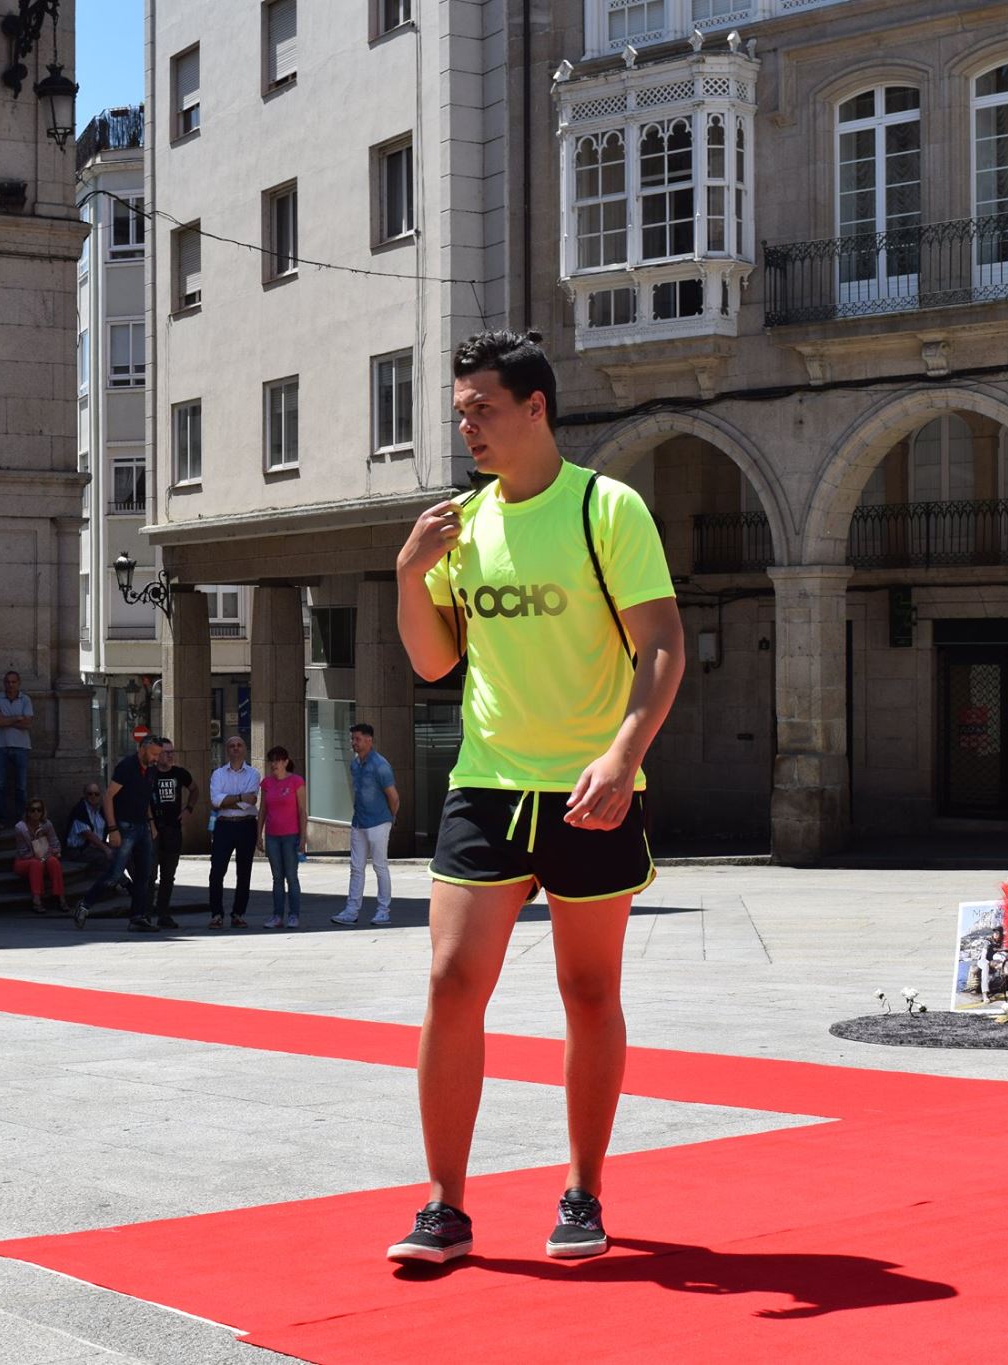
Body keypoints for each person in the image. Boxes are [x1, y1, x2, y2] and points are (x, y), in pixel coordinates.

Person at [384, 331, 683, 1266]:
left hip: (589, 787)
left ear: (535, 408)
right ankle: (444, 1206)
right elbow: (435, 660)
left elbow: (662, 644)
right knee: (448, 985)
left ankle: (583, 1191)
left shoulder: (606, 508)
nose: (466, 425)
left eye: (482, 408)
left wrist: (622, 753)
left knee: (588, 990)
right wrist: (406, 571)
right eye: (461, 410)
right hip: (486, 783)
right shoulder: (460, 525)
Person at [75, 735, 163, 932]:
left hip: (142, 826)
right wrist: (113, 829)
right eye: (154, 753)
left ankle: (137, 917)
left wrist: (151, 823)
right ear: (143, 748)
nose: (157, 758)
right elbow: (108, 797)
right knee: (115, 873)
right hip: (125, 826)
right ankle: (85, 905)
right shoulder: (127, 767)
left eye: (159, 754)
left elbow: (146, 797)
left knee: (144, 875)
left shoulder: (151, 769)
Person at [330, 724, 399, 927]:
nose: (353, 743)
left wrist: (391, 819)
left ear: (369, 740)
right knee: (356, 868)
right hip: (359, 822)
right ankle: (351, 911)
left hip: (378, 822)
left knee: (380, 866)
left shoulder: (380, 765)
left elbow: (394, 797)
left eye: (357, 739)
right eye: (352, 739)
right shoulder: (355, 763)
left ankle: (383, 911)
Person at [208, 735, 259, 930]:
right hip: (224, 825)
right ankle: (216, 914)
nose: (235, 748)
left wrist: (228, 800)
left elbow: (250, 802)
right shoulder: (218, 774)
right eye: (231, 746)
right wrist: (239, 797)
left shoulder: (253, 774)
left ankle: (238, 913)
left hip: (246, 825)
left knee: (244, 872)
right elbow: (215, 801)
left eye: (239, 745)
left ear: (245, 749)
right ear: (226, 750)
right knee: (217, 871)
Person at [148, 736, 196, 929]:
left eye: (171, 752)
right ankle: (145, 913)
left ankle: (163, 913)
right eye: (166, 753)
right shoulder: (149, 774)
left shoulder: (179, 773)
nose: (170, 756)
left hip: (173, 829)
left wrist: (188, 809)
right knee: (150, 874)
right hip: (153, 829)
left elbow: (195, 790)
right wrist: (150, 823)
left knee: (168, 875)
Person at [258, 746, 306, 930]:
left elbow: (302, 811)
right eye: (271, 760)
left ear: (286, 762)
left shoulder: (296, 781)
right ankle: (277, 915)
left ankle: (294, 915)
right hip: (272, 836)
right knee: (277, 877)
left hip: (291, 836)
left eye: (278, 760)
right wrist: (259, 835)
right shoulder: (267, 783)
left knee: (291, 877)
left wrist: (303, 837)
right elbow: (262, 810)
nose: (274, 764)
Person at [0, 670, 34, 823]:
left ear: (19, 683)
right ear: (4, 683)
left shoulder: (26, 699)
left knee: (21, 786)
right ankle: (1, 818)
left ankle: (21, 819)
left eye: (14, 682)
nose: (11, 685)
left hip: (22, 747)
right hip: (0, 746)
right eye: (8, 682)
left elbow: (28, 723)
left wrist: (6, 720)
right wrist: (17, 718)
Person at [13, 798, 66, 914]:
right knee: (36, 864)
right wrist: (37, 844)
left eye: (39, 810)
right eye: (33, 810)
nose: (36, 813)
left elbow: (55, 844)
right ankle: (37, 900)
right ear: (27, 812)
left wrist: (47, 853)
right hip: (25, 860)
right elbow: (22, 853)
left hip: (44, 856)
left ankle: (60, 897)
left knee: (53, 862)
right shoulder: (20, 828)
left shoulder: (47, 824)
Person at [64, 782, 116, 883]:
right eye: (90, 794)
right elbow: (88, 834)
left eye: (96, 794)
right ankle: (126, 884)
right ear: (84, 795)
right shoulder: (80, 810)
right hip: (79, 851)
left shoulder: (100, 810)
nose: (93, 796)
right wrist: (106, 849)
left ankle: (140, 883)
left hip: (95, 848)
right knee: (107, 859)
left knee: (124, 854)